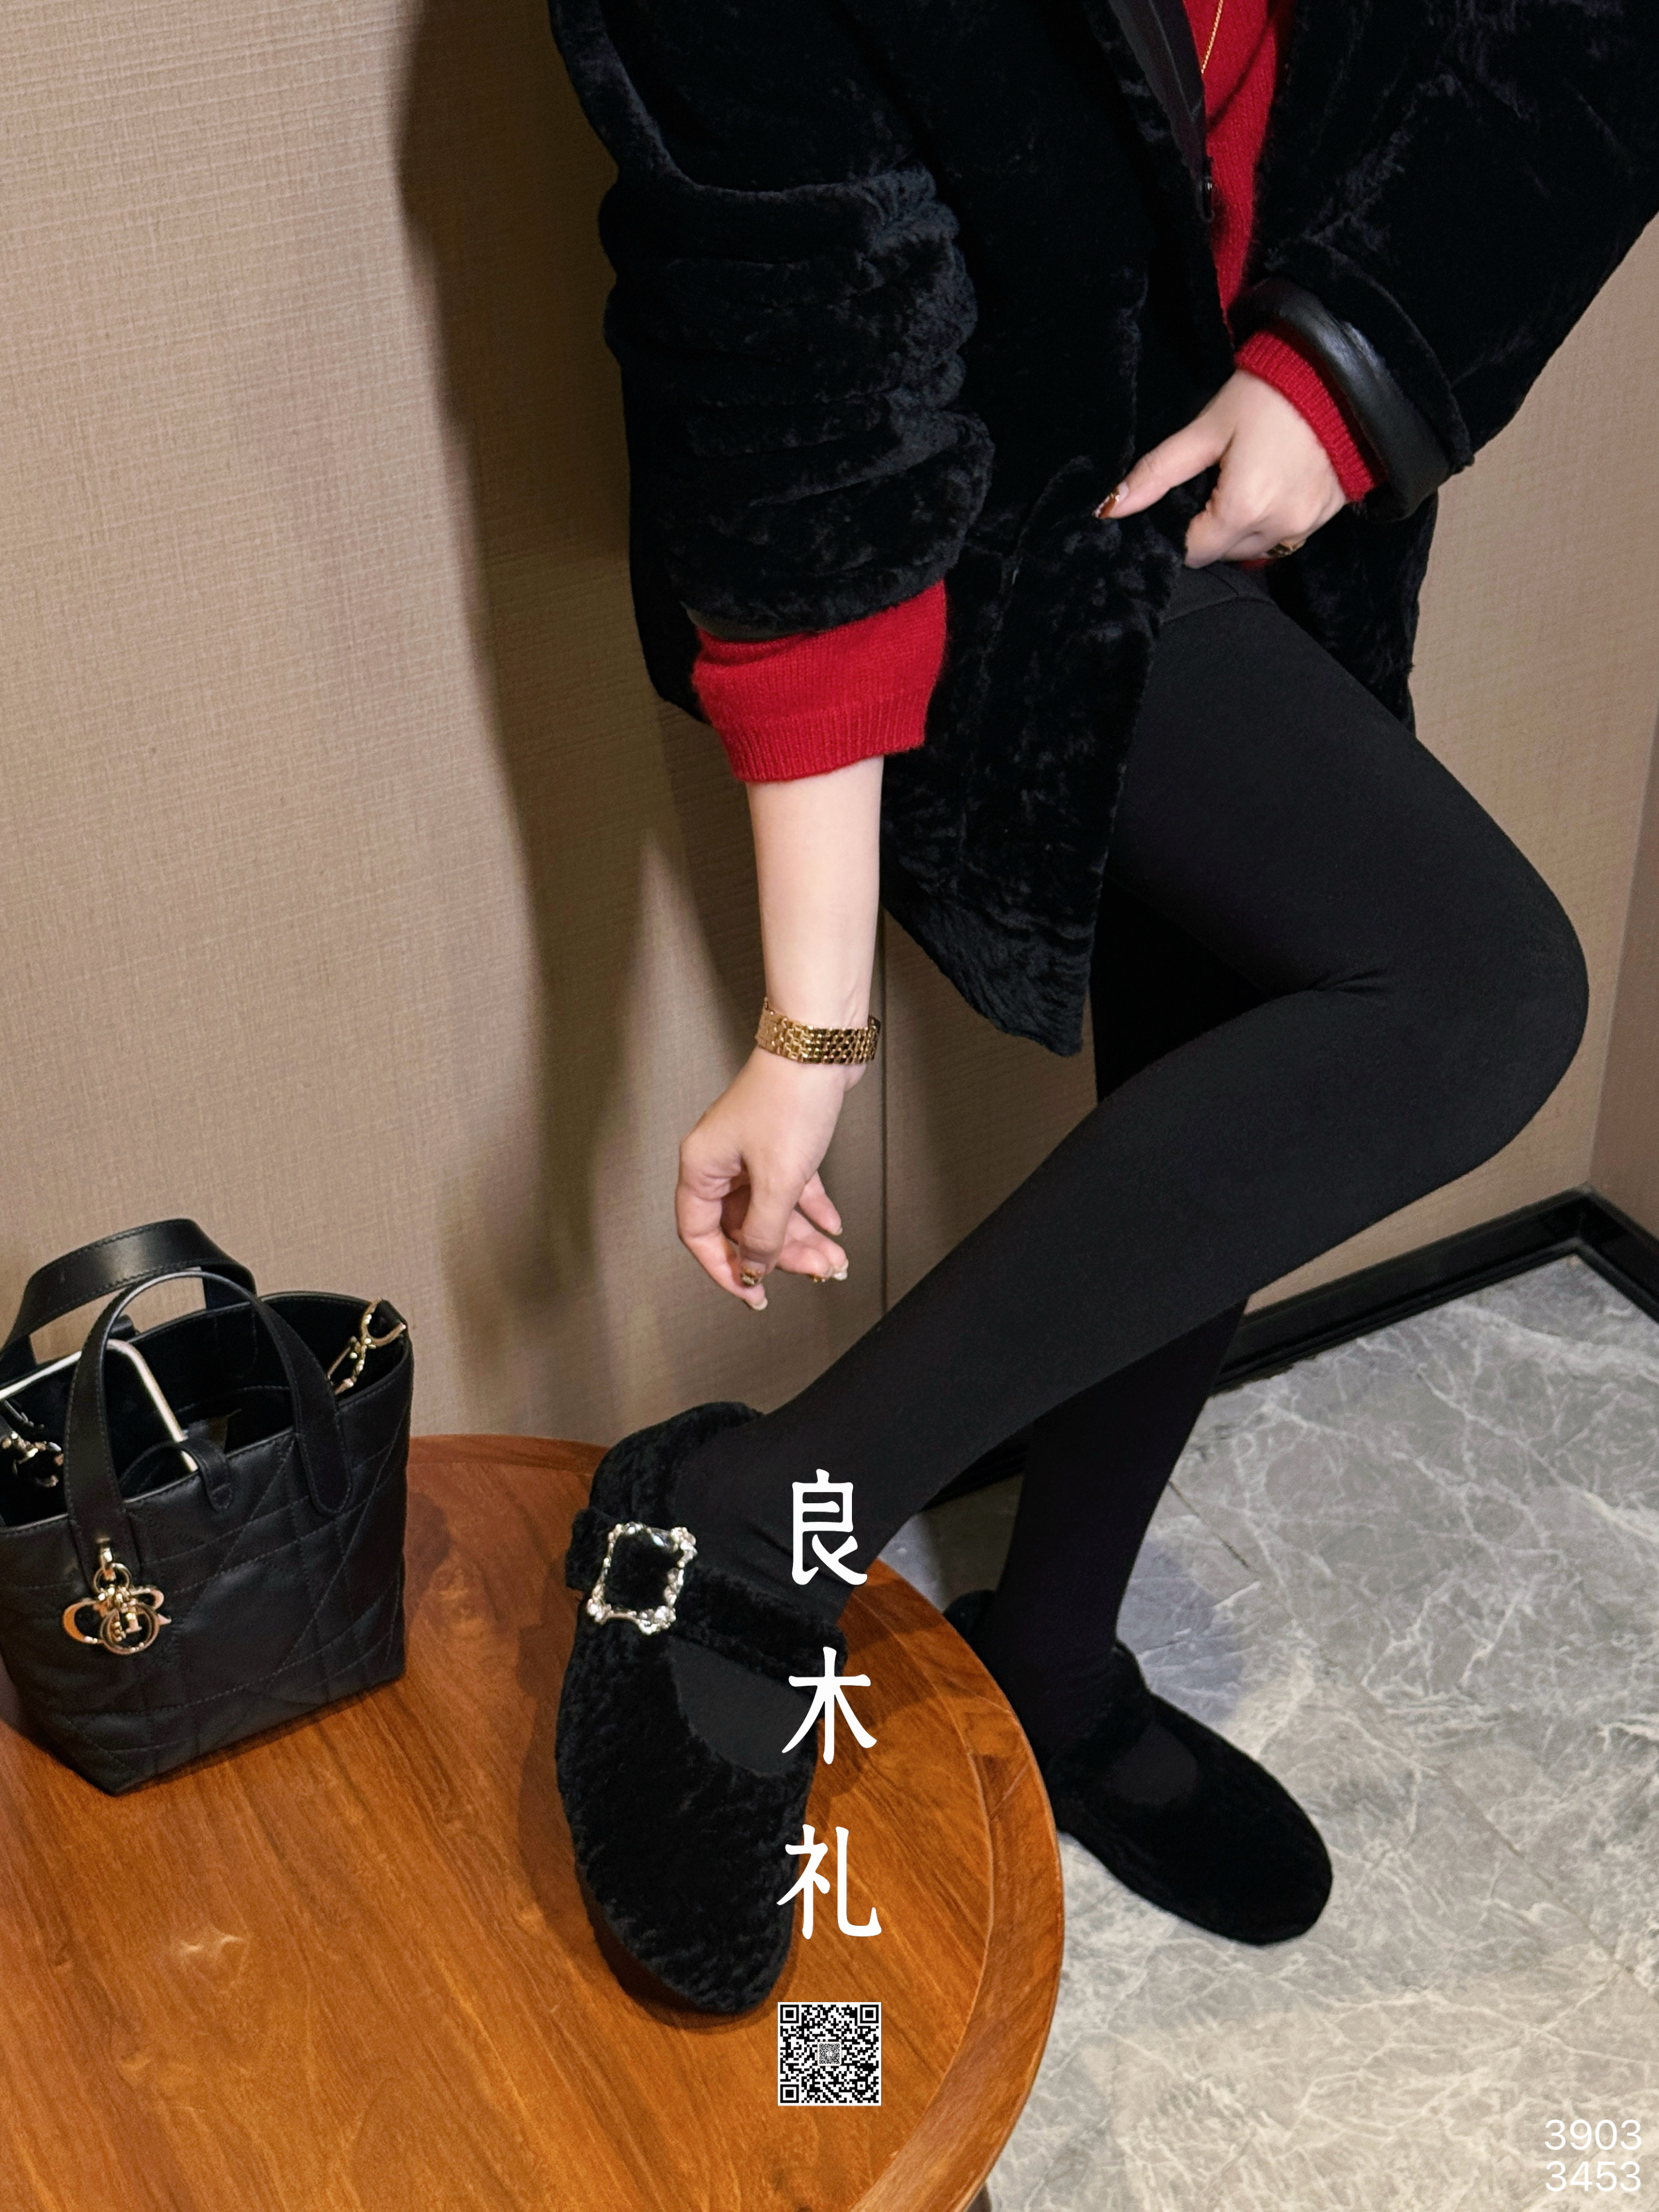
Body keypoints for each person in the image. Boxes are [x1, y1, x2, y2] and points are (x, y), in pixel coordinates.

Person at [544, 0, 1659, 2014]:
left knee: (1244, 1032)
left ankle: (1050, 1655)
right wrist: (811, 1028)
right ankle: (755, 1522)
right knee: (1473, 987)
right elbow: (801, 357)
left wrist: (1349, 370)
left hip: (1278, 407)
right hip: (998, 483)